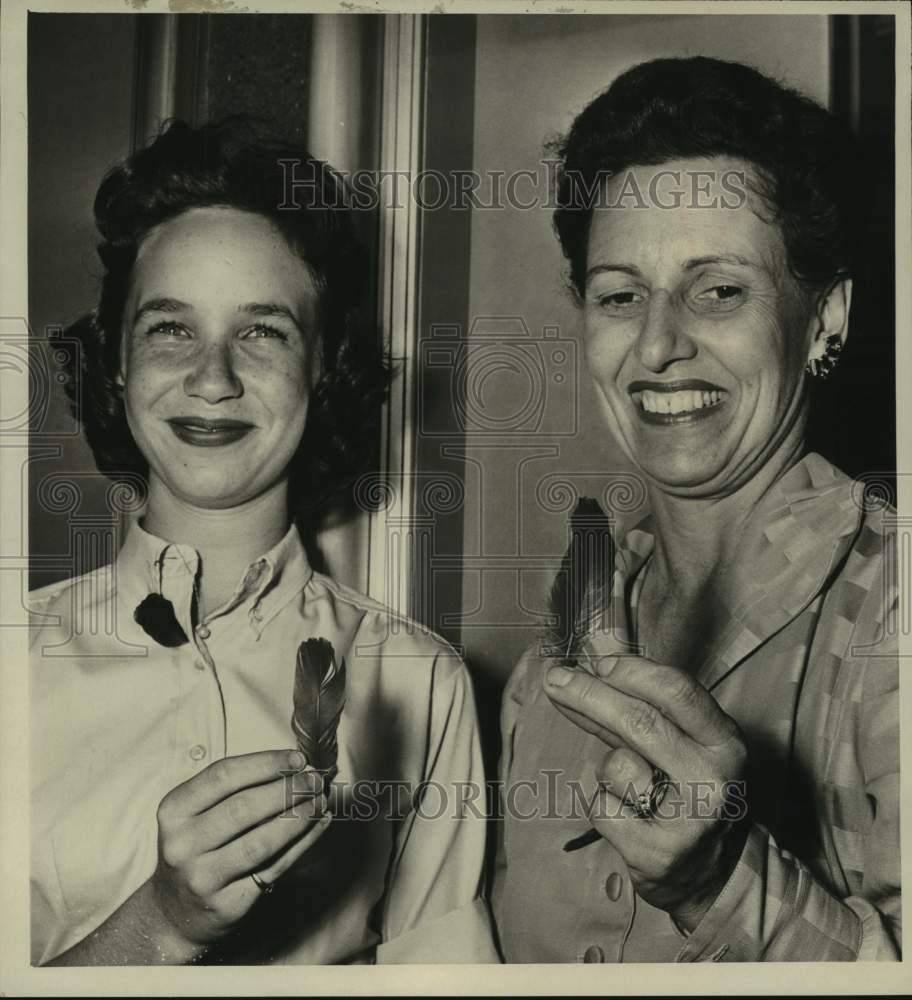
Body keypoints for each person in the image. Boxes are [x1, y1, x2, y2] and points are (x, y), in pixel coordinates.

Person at [30, 119, 497, 966]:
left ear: (323, 364)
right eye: (170, 328)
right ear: (119, 365)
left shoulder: (421, 685)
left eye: (263, 331)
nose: (212, 378)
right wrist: (159, 926)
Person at [492, 57, 900, 962]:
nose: (660, 343)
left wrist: (719, 883)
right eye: (620, 295)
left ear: (825, 315)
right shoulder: (554, 655)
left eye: (719, 291)